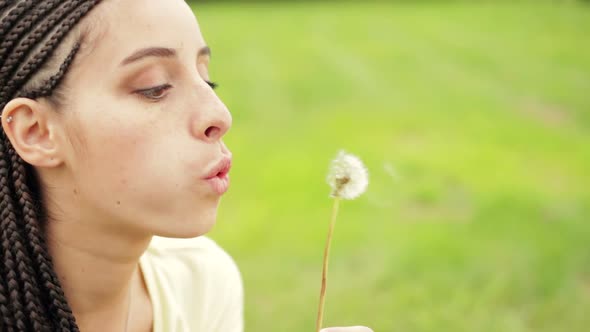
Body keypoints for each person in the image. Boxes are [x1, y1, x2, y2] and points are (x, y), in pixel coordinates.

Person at [0, 1, 374, 331]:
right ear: (36, 132)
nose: (219, 114)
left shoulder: (200, 283)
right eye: (155, 87)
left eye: (206, 77)